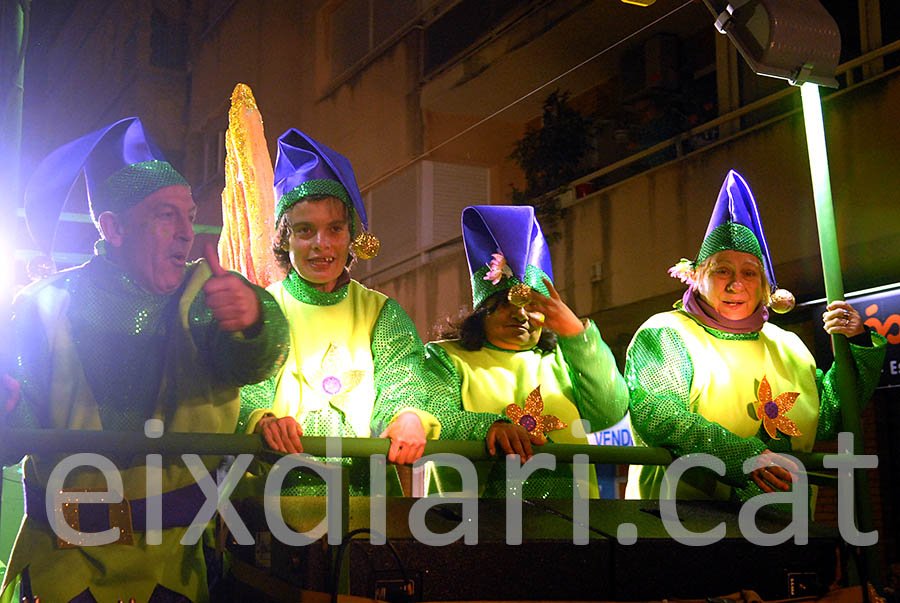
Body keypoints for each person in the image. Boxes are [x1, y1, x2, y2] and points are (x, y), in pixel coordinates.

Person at [0, 117, 290, 603]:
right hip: (64, 567)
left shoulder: (205, 295)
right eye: (163, 215)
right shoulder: (42, 304)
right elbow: (16, 433)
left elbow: (253, 363)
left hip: (174, 565)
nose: (186, 232)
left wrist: (253, 320)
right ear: (112, 227)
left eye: (189, 213)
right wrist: (8, 410)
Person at [625, 170, 886, 501]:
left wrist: (858, 341)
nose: (736, 285)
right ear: (697, 277)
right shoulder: (666, 332)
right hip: (687, 526)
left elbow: (830, 416)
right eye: (722, 271)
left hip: (787, 526)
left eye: (749, 273)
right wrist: (742, 456)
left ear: (764, 285)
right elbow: (658, 415)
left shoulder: (787, 344)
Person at [237, 128, 439, 495]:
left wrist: (408, 416)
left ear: (352, 236)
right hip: (278, 496)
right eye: (305, 230)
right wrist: (262, 419)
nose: (321, 245)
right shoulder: (264, 308)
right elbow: (246, 388)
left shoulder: (382, 312)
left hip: (368, 498)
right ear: (285, 239)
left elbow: (403, 380)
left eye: (334, 228)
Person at [424, 205, 630, 498]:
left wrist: (578, 336)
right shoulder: (445, 358)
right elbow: (432, 416)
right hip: (475, 527)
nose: (520, 315)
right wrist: (489, 428)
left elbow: (610, 414)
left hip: (575, 525)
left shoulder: (566, 360)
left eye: (532, 305)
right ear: (484, 308)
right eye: (508, 302)